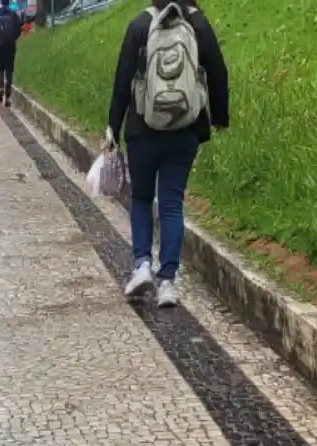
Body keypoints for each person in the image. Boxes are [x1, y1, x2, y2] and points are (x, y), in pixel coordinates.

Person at [110, 0, 228, 307]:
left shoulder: (140, 24)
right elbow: (216, 68)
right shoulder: (197, 22)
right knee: (172, 204)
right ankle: (168, 282)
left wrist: (112, 125)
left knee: (141, 198)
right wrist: (219, 117)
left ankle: (142, 266)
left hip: (142, 128)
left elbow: (123, 77)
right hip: (184, 129)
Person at [0, 0, 21, 105]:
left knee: (0, 69)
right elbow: (18, 30)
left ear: (1, 2)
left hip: (0, 46)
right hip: (10, 46)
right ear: (9, 2)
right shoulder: (13, 14)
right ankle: (7, 97)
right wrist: (12, 39)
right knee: (9, 71)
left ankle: (0, 87)